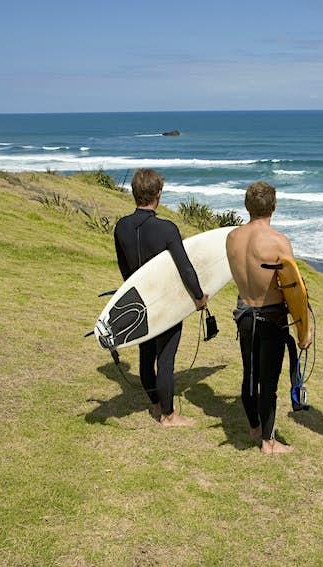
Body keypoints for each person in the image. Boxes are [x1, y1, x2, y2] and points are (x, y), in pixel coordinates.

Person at [113, 168, 208, 427]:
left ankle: (155, 405)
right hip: (165, 304)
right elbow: (185, 268)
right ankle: (168, 415)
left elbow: (124, 268)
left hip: (139, 302)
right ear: (158, 194)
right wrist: (199, 297)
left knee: (146, 353)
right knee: (165, 359)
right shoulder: (166, 229)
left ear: (134, 193)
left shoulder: (121, 227)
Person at [226, 181, 312, 455]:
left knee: (249, 374)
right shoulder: (278, 241)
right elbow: (293, 288)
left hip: (244, 315)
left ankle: (253, 426)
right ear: (273, 207)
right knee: (269, 383)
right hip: (271, 317)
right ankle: (268, 441)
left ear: (246, 206)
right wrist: (303, 329)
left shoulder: (232, 238)